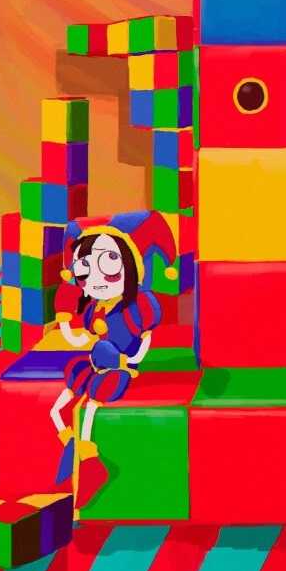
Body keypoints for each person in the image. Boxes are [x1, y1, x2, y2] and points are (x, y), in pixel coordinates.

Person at [49, 211, 176, 508]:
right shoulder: (97, 309)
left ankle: (91, 459)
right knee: (57, 408)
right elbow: (84, 338)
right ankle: (70, 441)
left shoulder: (138, 307)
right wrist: (67, 326)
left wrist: (128, 359)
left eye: (108, 262)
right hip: (96, 363)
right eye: (84, 267)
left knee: (92, 406)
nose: (94, 278)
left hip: (118, 368)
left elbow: (145, 341)